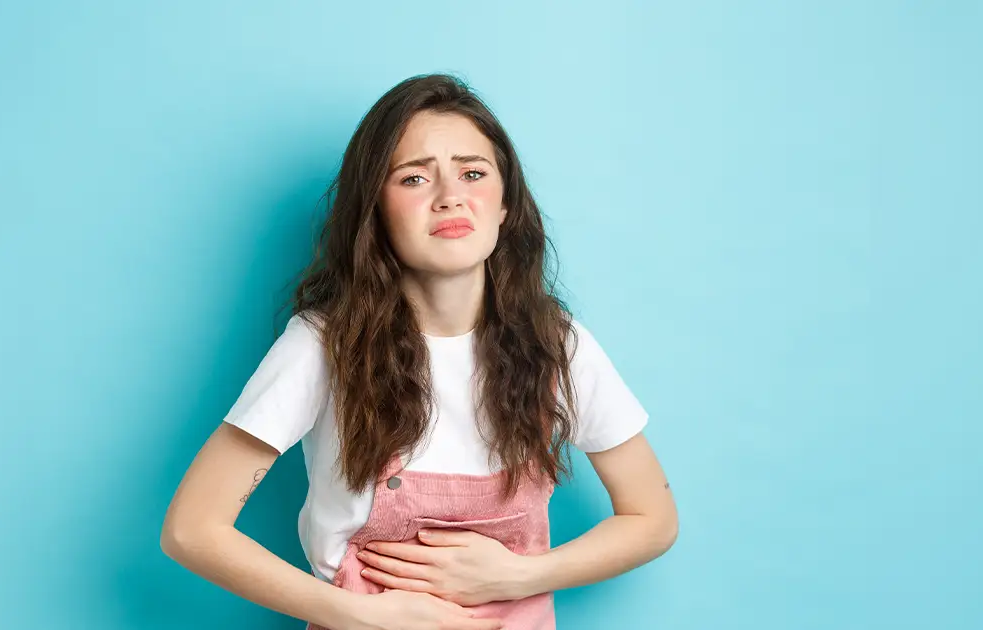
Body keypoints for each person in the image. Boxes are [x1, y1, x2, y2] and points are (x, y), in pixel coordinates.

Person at [160, 73, 678, 630]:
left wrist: (519, 576)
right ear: (375, 213)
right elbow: (192, 528)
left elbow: (652, 517)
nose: (451, 196)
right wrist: (356, 615)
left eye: (473, 173)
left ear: (506, 206)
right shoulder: (323, 344)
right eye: (413, 178)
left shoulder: (557, 344)